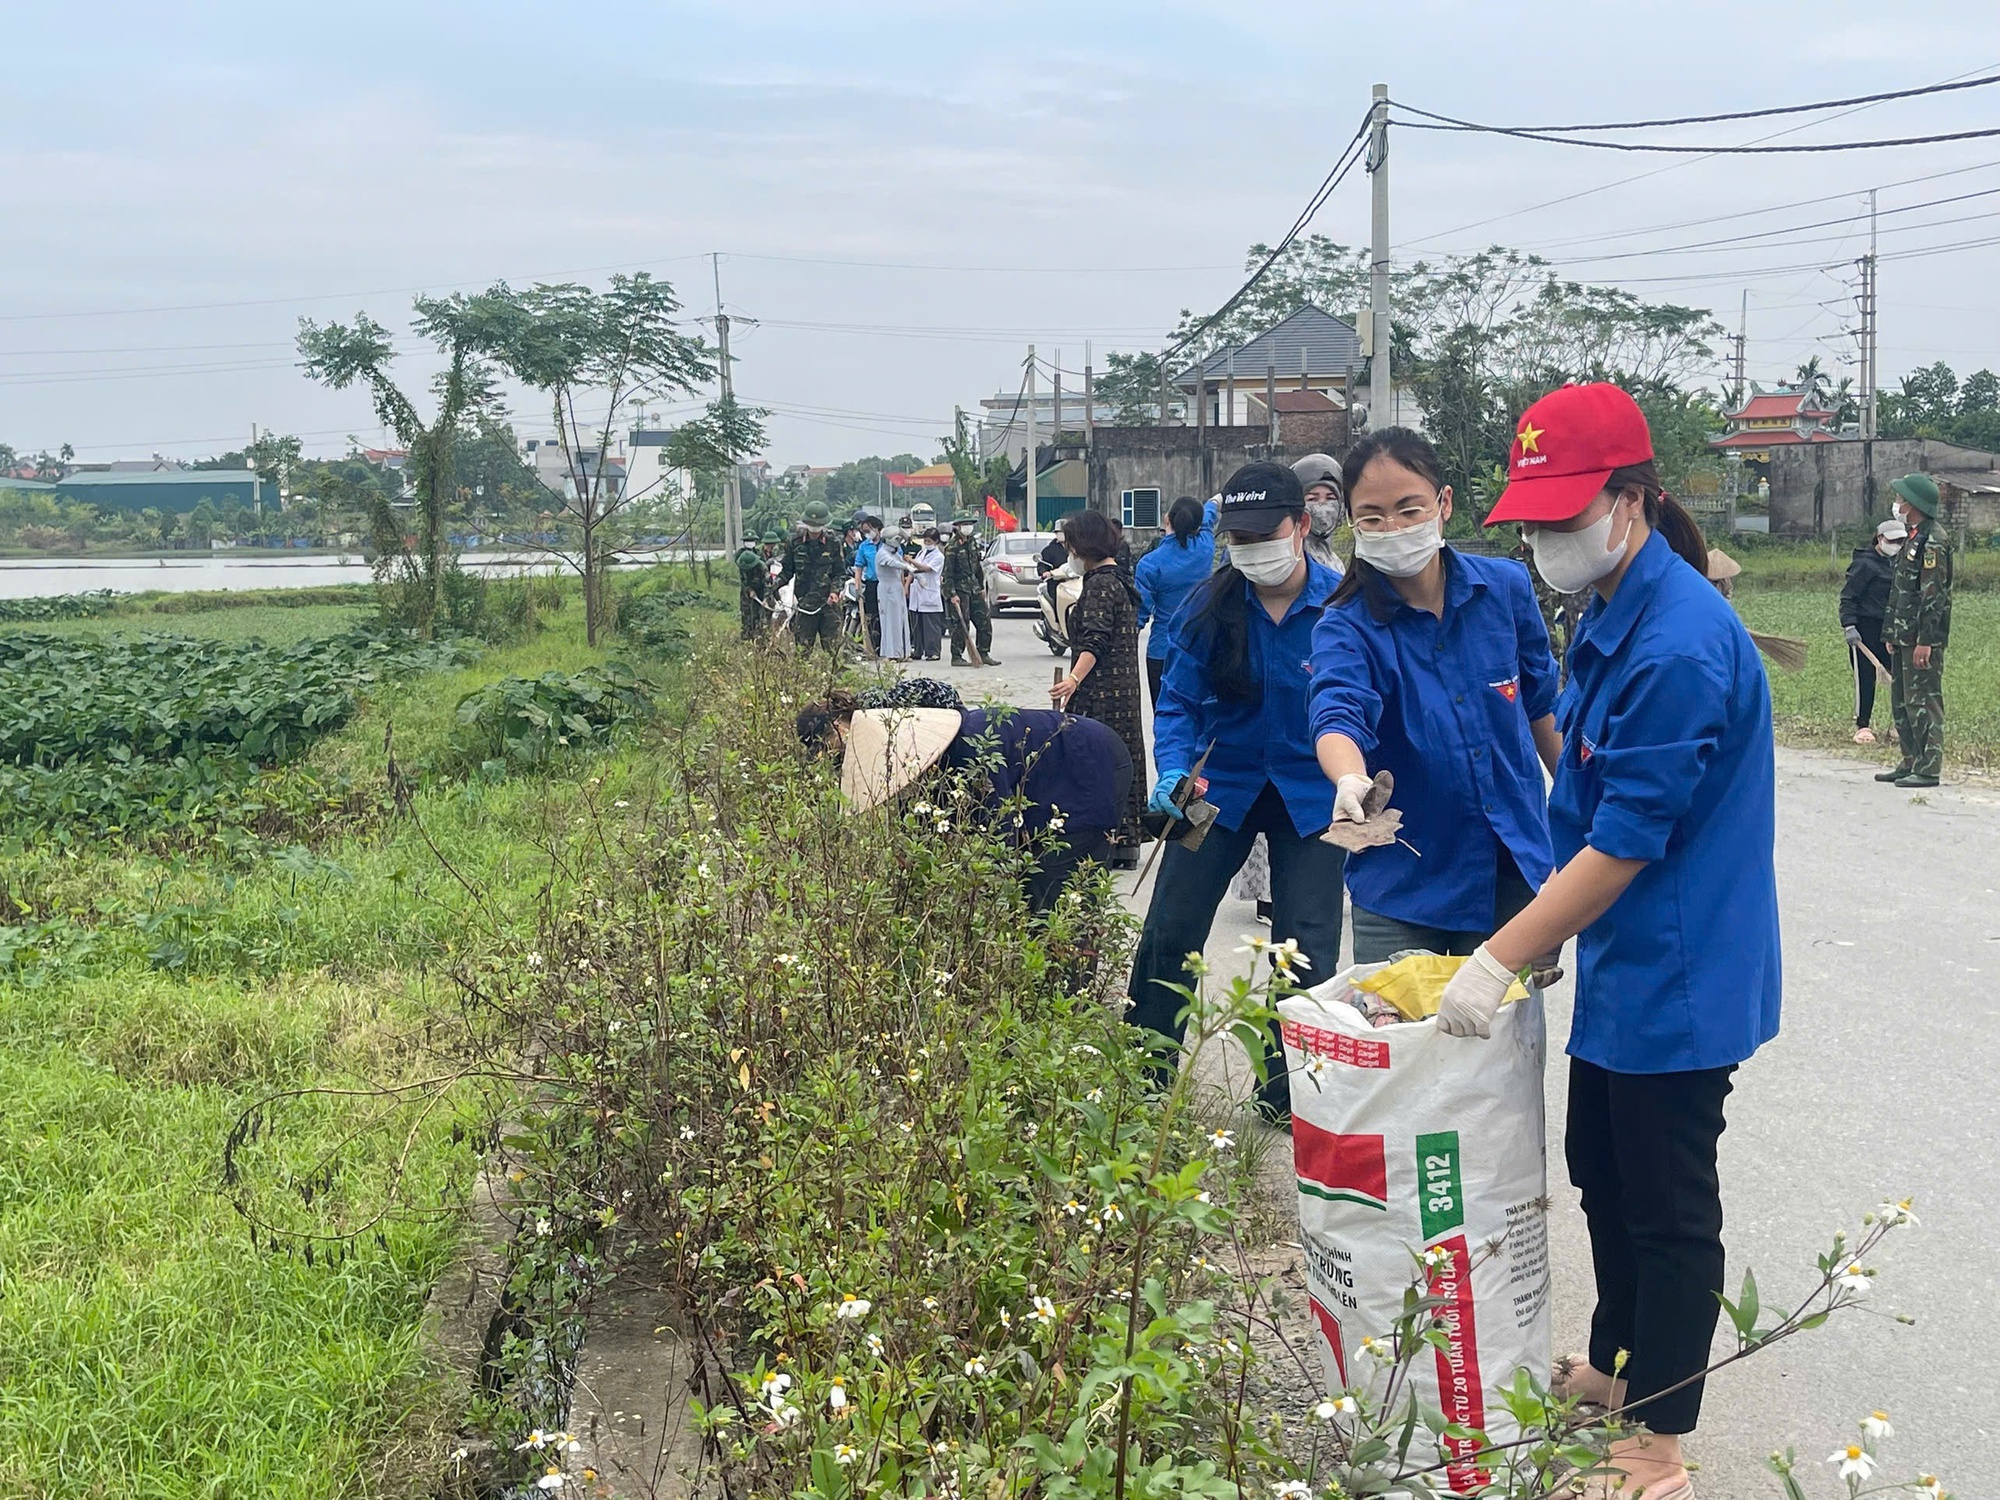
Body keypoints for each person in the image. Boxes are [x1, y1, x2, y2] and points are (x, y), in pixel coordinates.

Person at [1440, 382, 1781, 1500]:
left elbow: (1627, 843)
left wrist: (1499, 953)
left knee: (1667, 1202)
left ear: (1631, 499)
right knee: (1602, 1170)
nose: (1543, 540)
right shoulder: (1616, 609)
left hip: (1679, 969)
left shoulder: (1676, 643)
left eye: (1562, 515)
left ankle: (1659, 1435)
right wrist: (1539, 942)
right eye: (1530, 520)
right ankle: (1619, 1366)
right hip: (1625, 963)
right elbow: (1583, 807)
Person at [1127, 461, 1345, 1120]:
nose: (1251, 551)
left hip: (1310, 792)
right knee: (1173, 923)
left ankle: (1288, 1094)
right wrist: (1172, 768)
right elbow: (1180, 703)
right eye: (1239, 539)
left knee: (1305, 943)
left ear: (1302, 525)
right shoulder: (1207, 605)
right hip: (1219, 782)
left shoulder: (1342, 606)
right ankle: (1145, 1075)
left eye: (1265, 534)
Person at [1309, 428, 1561, 965]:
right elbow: (1337, 710)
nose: (1393, 528)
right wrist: (1349, 777)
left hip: (1511, 869)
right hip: (1404, 879)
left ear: (1443, 504)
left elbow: (1541, 707)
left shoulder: (1506, 589)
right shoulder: (1344, 625)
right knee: (1402, 1042)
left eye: (1409, 509)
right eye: (1373, 517)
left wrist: (1584, 805)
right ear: (1355, 525)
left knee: (1503, 1041)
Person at [796, 693, 1131, 911]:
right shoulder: (914, 754)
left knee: (1062, 890)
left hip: (1089, 761)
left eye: (825, 743)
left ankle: (1073, 993)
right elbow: (923, 820)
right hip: (1053, 777)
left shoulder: (970, 748)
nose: (827, 754)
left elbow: (995, 834)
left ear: (839, 726)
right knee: (1036, 885)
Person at [1049, 509, 1146, 850]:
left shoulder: (1100, 586)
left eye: (1071, 546)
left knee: (1096, 759)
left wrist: (1074, 679)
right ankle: (1125, 839)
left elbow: (1095, 640)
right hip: (1124, 692)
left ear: (1082, 546)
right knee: (1122, 757)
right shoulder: (1119, 578)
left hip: (1101, 692)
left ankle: (1106, 838)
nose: (1069, 554)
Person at [1878, 474, 1953, 788]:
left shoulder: (1933, 540)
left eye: (1901, 498)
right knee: (1902, 703)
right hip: (1902, 635)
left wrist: (1926, 640)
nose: (1898, 503)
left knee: (1923, 702)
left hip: (1921, 639)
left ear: (1915, 504)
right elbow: (1901, 591)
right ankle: (1909, 760)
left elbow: (1933, 596)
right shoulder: (1912, 537)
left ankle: (1928, 767)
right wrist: (1890, 633)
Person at [1134, 495, 1215, 706]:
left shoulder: (1150, 564)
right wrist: (1216, 501)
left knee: (1165, 714)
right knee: (1198, 716)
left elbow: (1139, 614)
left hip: (1162, 651)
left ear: (1167, 519)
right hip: (1200, 646)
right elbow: (1209, 515)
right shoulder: (1205, 549)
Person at [1839, 517, 1904, 745]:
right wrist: (1850, 626)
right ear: (1879, 538)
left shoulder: (1899, 564)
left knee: (1900, 676)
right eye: (1893, 540)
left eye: (1900, 541)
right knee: (1865, 677)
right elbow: (1848, 597)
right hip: (1865, 629)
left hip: (1889, 630)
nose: (1897, 545)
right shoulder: (1864, 564)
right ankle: (1863, 725)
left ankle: (1900, 725)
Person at [780, 500, 846, 654]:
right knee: (802, 653)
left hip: (828, 606)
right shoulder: (794, 543)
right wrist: (773, 587)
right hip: (805, 607)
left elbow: (840, 573)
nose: (814, 527)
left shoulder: (833, 543)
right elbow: (787, 571)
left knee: (833, 653)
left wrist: (835, 591)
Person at [944, 516, 1000, 666]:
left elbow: (977, 567)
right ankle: (957, 656)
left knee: (984, 619)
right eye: (965, 524)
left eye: (970, 524)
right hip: (960, 589)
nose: (968, 527)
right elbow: (947, 573)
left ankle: (983, 652)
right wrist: (952, 594)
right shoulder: (952, 546)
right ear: (958, 526)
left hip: (974, 587)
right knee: (962, 623)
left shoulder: (973, 542)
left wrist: (981, 588)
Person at [1292, 453, 1348, 572]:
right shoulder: (1295, 563)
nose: (1323, 507)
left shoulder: (1335, 563)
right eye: (1312, 499)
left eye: (1330, 498)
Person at [908, 527, 947, 661]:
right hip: (917, 593)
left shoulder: (938, 556)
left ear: (936, 541)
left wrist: (910, 561)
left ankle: (933, 651)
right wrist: (906, 586)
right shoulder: (921, 553)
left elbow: (926, 568)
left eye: (929, 541)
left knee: (931, 626)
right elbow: (912, 571)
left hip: (930, 593)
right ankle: (918, 650)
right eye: (925, 541)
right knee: (917, 625)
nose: (927, 543)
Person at [874, 527, 912, 661]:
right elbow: (893, 564)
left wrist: (916, 575)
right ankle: (891, 653)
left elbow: (900, 564)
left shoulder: (895, 553)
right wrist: (907, 567)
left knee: (901, 620)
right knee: (890, 621)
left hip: (897, 587)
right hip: (887, 589)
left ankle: (903, 651)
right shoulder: (882, 553)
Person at [853, 515, 883, 656]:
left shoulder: (887, 544)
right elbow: (858, 567)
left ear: (877, 528)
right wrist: (858, 586)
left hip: (886, 584)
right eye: (864, 531)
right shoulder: (864, 546)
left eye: (868, 530)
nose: (867, 533)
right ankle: (874, 647)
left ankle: (887, 647)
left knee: (886, 616)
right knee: (872, 616)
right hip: (871, 584)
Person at [735, 531, 773, 641]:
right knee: (748, 616)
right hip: (749, 594)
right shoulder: (742, 562)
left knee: (762, 618)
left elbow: (768, 585)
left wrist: (766, 598)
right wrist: (749, 590)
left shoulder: (762, 567)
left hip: (762, 593)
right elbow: (744, 581)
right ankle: (747, 638)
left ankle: (763, 640)